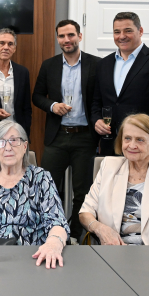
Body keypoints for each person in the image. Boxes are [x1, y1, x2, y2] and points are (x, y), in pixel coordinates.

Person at [0, 120, 70, 269]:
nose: (8, 147)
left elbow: (57, 221)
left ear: (25, 146)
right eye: (1, 142)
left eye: (14, 140)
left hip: (34, 259)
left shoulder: (41, 178)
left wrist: (53, 244)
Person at [32, 19, 101, 241]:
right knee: (48, 188)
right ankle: (51, 234)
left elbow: (102, 98)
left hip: (85, 138)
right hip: (57, 137)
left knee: (83, 193)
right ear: (57, 39)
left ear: (79, 36)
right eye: (61, 36)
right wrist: (52, 106)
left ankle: (78, 237)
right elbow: (37, 96)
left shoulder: (97, 64)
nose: (66, 40)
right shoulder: (49, 65)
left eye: (70, 35)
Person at [80, 114, 149, 245]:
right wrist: (100, 228)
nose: (132, 145)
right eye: (127, 138)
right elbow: (85, 212)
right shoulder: (108, 167)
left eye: (140, 140)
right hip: (112, 251)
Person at [91, 12, 149, 160]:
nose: (122, 36)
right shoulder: (103, 64)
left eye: (128, 31)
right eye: (117, 32)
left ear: (140, 31)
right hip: (110, 148)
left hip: (146, 149)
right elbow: (96, 102)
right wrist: (97, 120)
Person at [0, 28, 32, 139]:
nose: (6, 47)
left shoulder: (22, 72)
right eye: (2, 43)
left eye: (10, 44)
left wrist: (25, 133)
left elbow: (26, 107)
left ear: (14, 48)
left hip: (16, 133)